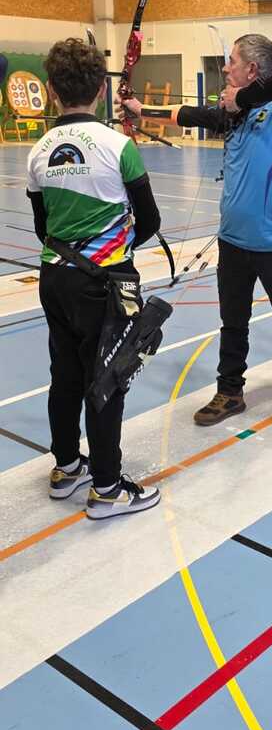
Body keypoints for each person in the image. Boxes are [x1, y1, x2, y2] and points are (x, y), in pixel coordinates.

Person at [120, 34, 272, 453]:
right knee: (233, 323)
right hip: (233, 242)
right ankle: (230, 391)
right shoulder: (234, 114)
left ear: (252, 69)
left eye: (232, 61)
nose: (226, 68)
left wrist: (240, 98)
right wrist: (140, 109)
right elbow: (190, 114)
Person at [27, 38, 162, 520]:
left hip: (55, 278)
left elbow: (42, 227)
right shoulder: (118, 146)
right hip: (105, 282)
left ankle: (66, 467)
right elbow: (149, 220)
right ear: (102, 91)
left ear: (51, 89)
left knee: (65, 373)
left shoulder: (38, 151)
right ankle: (106, 488)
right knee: (107, 378)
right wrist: (114, 249)